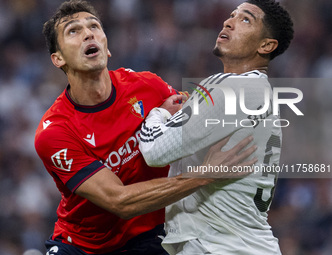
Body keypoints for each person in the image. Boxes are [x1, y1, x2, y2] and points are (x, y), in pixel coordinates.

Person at [34, 1, 257, 254]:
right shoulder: (54, 132)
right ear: (58, 58)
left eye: (94, 26)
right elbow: (119, 200)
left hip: (149, 235)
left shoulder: (148, 87)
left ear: (106, 47)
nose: (88, 33)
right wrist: (206, 173)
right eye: (73, 31)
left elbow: (201, 129)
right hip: (83, 245)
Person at [139, 0, 294, 254]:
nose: (228, 21)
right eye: (232, 15)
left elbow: (154, 150)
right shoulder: (262, 93)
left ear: (266, 45)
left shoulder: (228, 86)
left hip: (217, 246)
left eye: (245, 20)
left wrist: (159, 113)